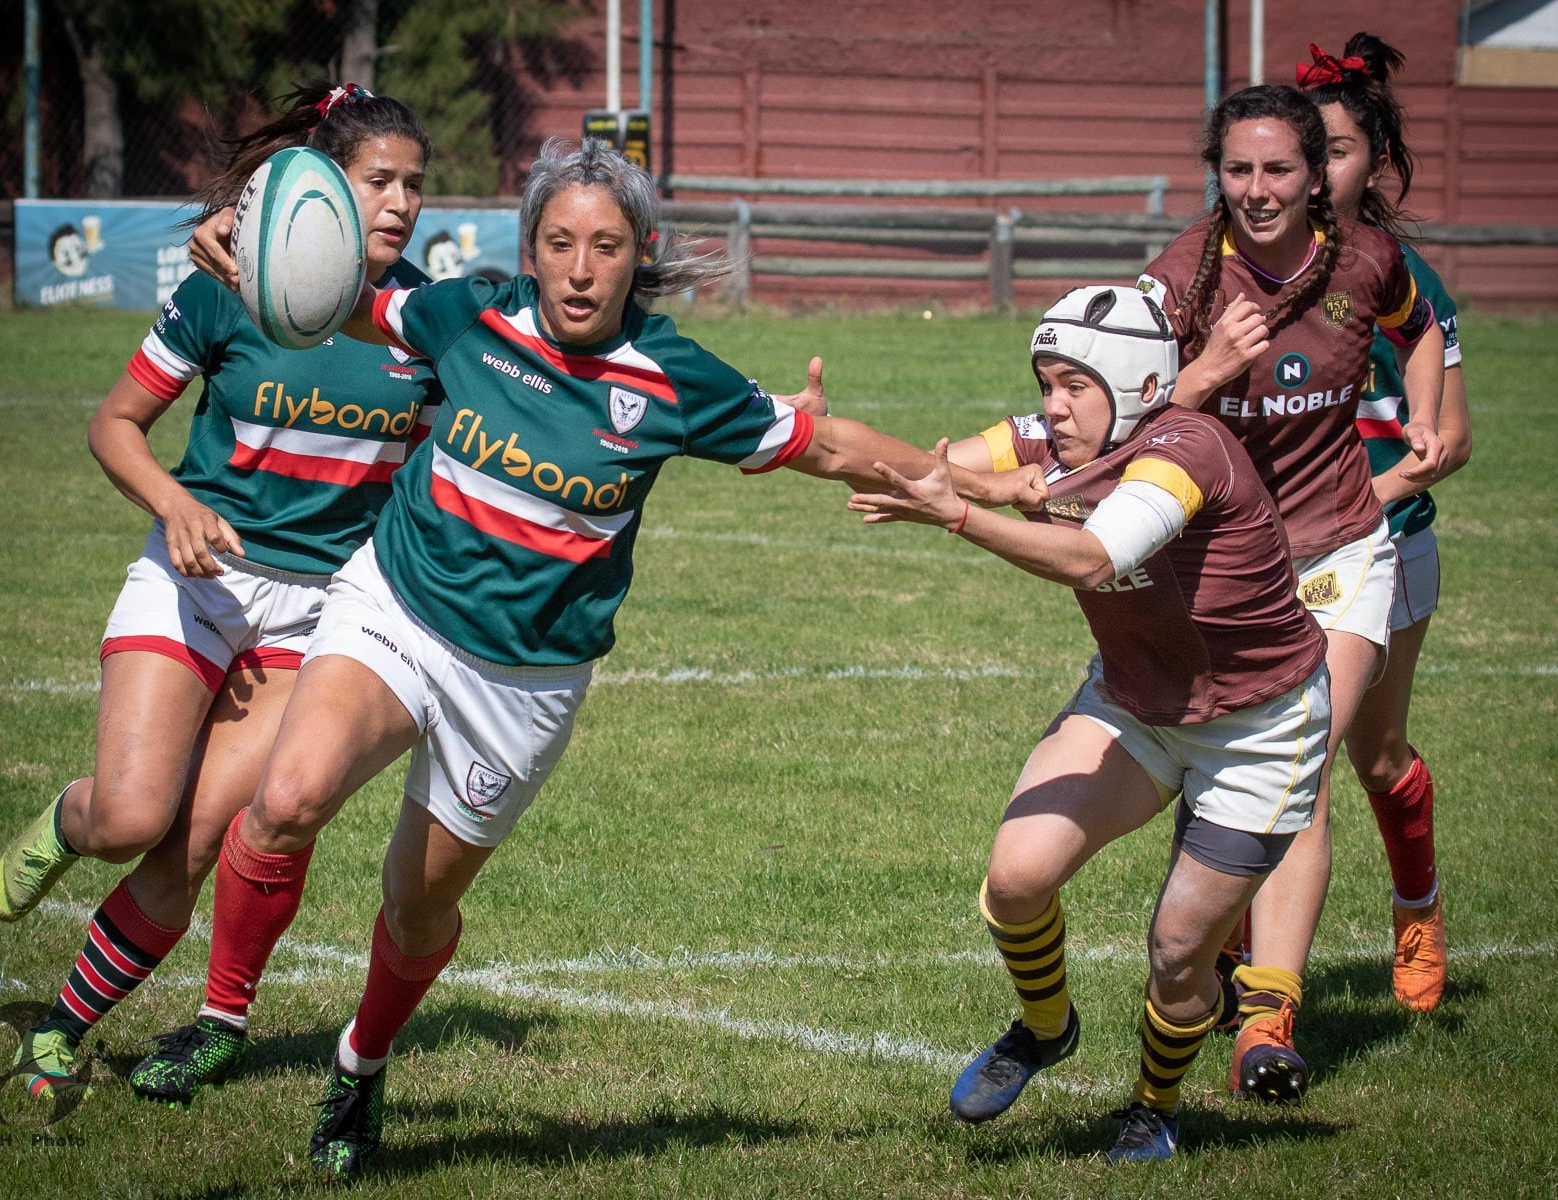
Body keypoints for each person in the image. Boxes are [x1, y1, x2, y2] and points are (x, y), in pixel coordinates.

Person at [164, 134, 1045, 1178]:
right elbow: (333, 298)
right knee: (287, 799)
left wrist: (969, 485)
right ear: (528, 251)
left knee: (418, 904)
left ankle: (360, 1064)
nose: (581, 269)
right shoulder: (467, 313)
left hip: (523, 683)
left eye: (607, 247)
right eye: (560, 243)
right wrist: (245, 245)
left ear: (641, 254)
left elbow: (835, 447)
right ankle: (223, 1016)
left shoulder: (674, 378)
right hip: (396, 606)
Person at [0, 81, 443, 1106]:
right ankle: (72, 820)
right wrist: (176, 506)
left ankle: (59, 1030)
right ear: (326, 184)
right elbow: (114, 425)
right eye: (379, 181)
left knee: (195, 838)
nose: (402, 203)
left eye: (416, 184)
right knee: (130, 815)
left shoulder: (422, 326)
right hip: (194, 581)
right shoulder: (222, 288)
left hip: (320, 611)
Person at [846, 285, 1331, 1162]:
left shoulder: (1187, 449)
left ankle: (1152, 1107)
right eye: (1044, 383)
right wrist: (811, 432)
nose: (1049, 405)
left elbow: (1092, 554)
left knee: (1181, 954)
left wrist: (962, 511)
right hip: (1135, 700)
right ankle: (1044, 1028)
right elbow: (922, 459)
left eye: (1073, 383)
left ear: (1137, 381)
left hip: (1256, 729)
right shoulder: (1056, 441)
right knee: (1015, 878)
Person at [1135, 83, 1445, 1100]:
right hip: (1226, 571)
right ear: (1214, 175)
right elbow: (1123, 421)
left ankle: (1265, 1024)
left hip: (1342, 556)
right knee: (1218, 788)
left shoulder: (1365, 258)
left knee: (1298, 773)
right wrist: (1203, 373)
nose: (1257, 190)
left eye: (1278, 170)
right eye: (1237, 171)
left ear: (1317, 175)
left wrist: (1427, 423)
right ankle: (1218, 961)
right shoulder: (1181, 279)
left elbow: (1422, 327)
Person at [1303, 34, 1474, 1013]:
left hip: (1382, 548)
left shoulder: (1407, 285)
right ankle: (1256, 980)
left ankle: (1417, 907)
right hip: (1268, 560)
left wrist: (1346, 508)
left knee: (1369, 756)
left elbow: (1447, 441)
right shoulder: (1245, 275)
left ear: (1374, 162)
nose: (1314, 171)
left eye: (1333, 150)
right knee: (1286, 758)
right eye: (1300, 150)